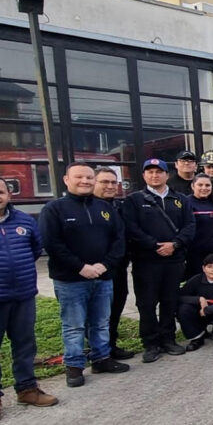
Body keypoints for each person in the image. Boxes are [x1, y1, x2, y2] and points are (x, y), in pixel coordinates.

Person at [39, 162, 129, 387]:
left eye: (89, 178)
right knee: (74, 325)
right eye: (79, 177)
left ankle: (101, 359)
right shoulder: (54, 209)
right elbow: (52, 244)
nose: (85, 181)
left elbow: (119, 240)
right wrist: (81, 267)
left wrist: (104, 265)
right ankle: (75, 366)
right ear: (66, 180)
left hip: (103, 277)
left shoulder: (105, 208)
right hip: (70, 280)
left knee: (101, 322)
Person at [122, 158, 196, 363]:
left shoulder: (180, 199)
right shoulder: (134, 200)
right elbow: (131, 228)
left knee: (169, 301)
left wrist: (175, 245)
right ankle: (151, 343)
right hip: (146, 261)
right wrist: (155, 245)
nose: (154, 175)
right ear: (144, 175)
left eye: (158, 172)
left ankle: (168, 339)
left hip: (174, 259)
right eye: (150, 172)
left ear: (167, 174)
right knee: (147, 303)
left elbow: (190, 226)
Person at [0, 177, 58, 407]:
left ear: (8, 194)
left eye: (1, 191)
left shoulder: (24, 220)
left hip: (23, 294)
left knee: (25, 344)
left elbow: (35, 249)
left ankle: (27, 389)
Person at [93, 166, 134, 360]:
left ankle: (110, 345)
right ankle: (99, 352)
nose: (110, 186)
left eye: (113, 182)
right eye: (104, 182)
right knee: (97, 314)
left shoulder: (119, 206)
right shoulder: (88, 206)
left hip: (118, 268)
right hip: (95, 270)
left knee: (115, 307)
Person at [185, 173, 213, 281]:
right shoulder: (186, 203)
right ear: (193, 186)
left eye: (207, 185)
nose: (204, 188)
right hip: (193, 255)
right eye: (200, 185)